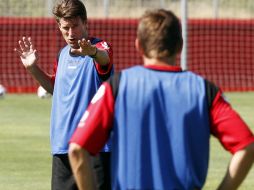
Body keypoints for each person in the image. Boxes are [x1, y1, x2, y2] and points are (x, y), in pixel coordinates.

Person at [68, 9, 254, 190]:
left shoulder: (116, 87)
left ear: (138, 45)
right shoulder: (204, 90)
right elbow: (247, 146)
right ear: (180, 46)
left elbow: (77, 150)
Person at [15, 0, 113, 189]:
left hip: (95, 148)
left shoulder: (100, 47)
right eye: (65, 27)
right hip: (63, 146)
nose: (71, 33)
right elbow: (55, 88)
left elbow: (104, 59)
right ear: (59, 26)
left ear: (85, 23)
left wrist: (92, 52)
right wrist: (33, 68)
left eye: (75, 26)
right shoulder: (62, 54)